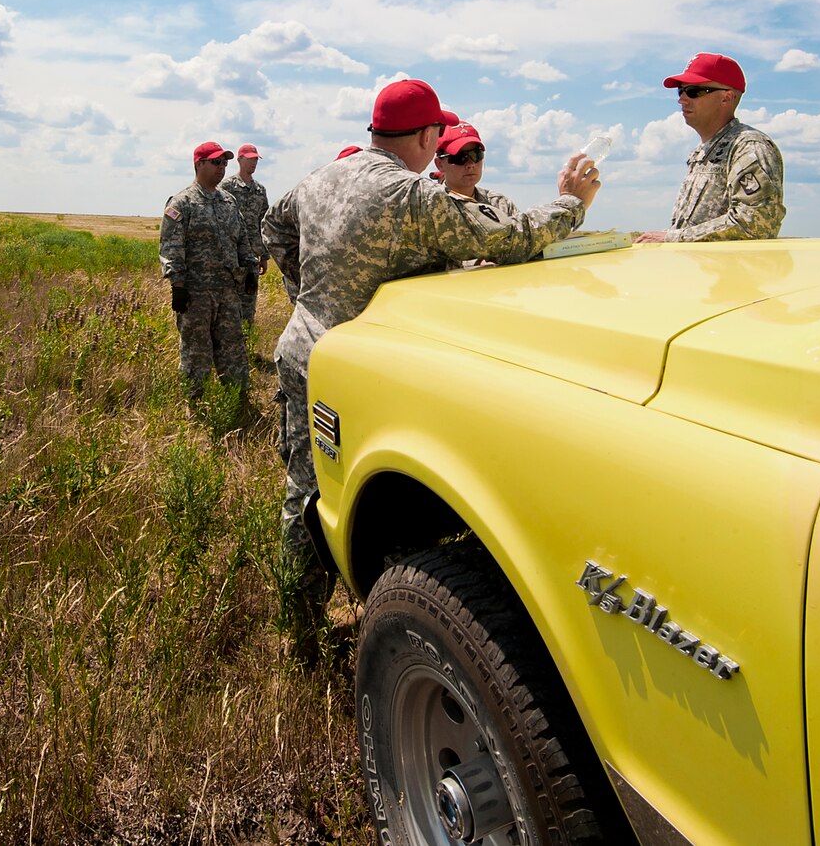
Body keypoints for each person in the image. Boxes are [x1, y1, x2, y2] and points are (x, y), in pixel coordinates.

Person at [262, 80, 603, 622]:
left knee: (305, 491)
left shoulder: (320, 178)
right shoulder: (411, 196)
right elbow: (510, 237)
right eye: (440, 134)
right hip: (364, 374)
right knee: (387, 500)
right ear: (425, 137)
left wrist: (310, 301)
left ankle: (296, 626)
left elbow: (275, 229)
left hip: (305, 354)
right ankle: (384, 615)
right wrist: (571, 202)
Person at [634, 53, 785, 243]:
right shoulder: (702, 153)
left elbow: (755, 223)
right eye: (680, 91)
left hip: (730, 272)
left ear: (726, 98)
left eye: (694, 91)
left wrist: (672, 238)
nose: (682, 99)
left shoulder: (749, 147)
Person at [158, 141, 250, 399]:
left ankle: (236, 400)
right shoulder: (182, 203)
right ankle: (195, 405)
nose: (222, 168)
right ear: (199, 164)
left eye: (224, 163)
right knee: (196, 352)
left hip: (228, 292)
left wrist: (250, 268)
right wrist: (178, 285)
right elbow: (171, 245)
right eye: (216, 162)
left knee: (232, 348)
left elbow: (241, 238)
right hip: (195, 294)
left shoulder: (229, 202)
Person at [218, 144, 270, 322]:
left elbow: (263, 223)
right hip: (231, 255)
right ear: (240, 160)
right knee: (229, 302)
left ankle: (247, 340)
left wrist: (264, 255)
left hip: (252, 256)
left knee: (249, 302)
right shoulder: (226, 187)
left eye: (256, 159)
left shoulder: (260, 190)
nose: (253, 163)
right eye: (250, 159)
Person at [431, 122, 519, 222]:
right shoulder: (428, 207)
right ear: (440, 164)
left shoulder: (500, 204)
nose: (470, 164)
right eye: (460, 157)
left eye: (476, 154)